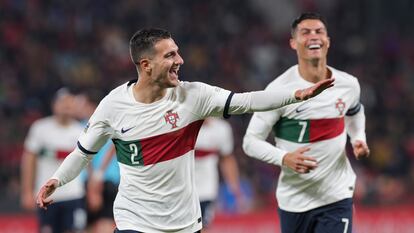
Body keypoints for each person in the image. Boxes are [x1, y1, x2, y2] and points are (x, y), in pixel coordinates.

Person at [36, 28, 334, 233]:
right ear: (146, 64)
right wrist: (57, 180)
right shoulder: (113, 106)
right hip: (135, 221)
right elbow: (83, 153)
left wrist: (294, 95)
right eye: (169, 56)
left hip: (184, 223)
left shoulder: (193, 96)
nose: (179, 60)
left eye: (177, 53)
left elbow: (247, 100)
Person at [243, 12, 370, 233]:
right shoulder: (278, 90)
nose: (313, 36)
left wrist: (358, 138)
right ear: (293, 43)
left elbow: (355, 112)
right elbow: (250, 142)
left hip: (336, 196)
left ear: (328, 41)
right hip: (294, 199)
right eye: (305, 32)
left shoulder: (348, 85)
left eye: (319, 31)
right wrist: (284, 158)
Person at [20, 88, 86, 233]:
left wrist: (93, 188)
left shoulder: (80, 131)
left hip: (73, 194)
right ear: (54, 105)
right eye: (63, 102)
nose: (66, 107)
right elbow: (29, 160)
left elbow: (88, 162)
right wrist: (27, 191)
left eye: (70, 103)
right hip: (46, 196)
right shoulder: (40, 128)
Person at [74, 91, 119, 233]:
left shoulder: (83, 127)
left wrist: (94, 183)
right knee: (104, 223)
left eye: (81, 105)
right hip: (108, 179)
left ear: (91, 106)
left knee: (97, 223)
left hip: (97, 181)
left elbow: (85, 155)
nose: (77, 109)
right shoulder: (111, 124)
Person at [194, 117, 241, 228]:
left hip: (206, 189)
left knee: (202, 226)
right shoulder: (182, 125)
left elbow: (227, 158)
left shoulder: (222, 128)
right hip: (181, 188)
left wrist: (234, 187)